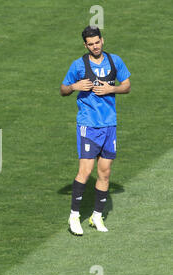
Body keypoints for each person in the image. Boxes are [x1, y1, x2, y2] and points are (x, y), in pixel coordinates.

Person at [60, 26, 131, 236]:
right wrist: (74, 87)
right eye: (90, 44)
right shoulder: (78, 65)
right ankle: (74, 216)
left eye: (97, 42)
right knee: (85, 170)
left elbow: (126, 85)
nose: (95, 46)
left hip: (109, 124)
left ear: (102, 40)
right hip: (88, 124)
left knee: (105, 172)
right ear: (85, 45)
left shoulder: (114, 61)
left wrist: (112, 89)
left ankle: (96, 216)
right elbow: (63, 89)